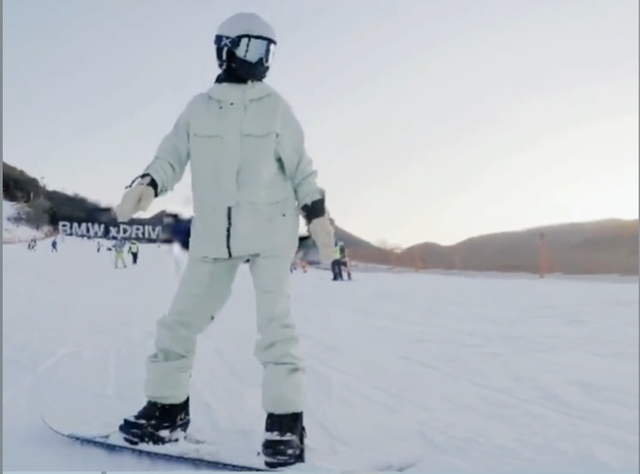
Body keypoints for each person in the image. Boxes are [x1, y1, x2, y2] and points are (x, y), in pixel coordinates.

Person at [112, 12, 334, 468]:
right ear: (226, 50)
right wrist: (148, 184)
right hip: (214, 236)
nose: (261, 61)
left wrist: (317, 214)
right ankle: (167, 411)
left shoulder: (275, 107)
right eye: (252, 49)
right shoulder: (199, 108)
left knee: (276, 328)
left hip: (272, 231)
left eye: (267, 52)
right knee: (178, 324)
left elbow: (301, 170)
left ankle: (285, 424)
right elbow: (170, 156)